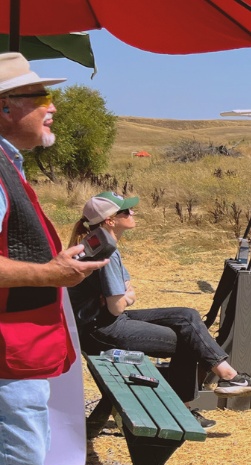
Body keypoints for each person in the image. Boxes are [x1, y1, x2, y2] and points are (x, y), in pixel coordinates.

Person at [67, 192, 251, 428]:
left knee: (187, 315)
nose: (132, 213)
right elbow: (116, 306)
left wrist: (125, 297)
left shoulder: (99, 243)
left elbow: (127, 293)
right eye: (125, 211)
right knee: (188, 340)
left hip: (102, 322)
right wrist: (124, 297)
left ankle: (228, 377)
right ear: (110, 221)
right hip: (102, 329)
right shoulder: (106, 252)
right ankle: (207, 393)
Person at [0, 52, 110, 465]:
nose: (53, 106)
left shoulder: (9, 163)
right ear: (4, 106)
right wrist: (50, 273)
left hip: (17, 356)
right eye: (41, 95)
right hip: (7, 361)